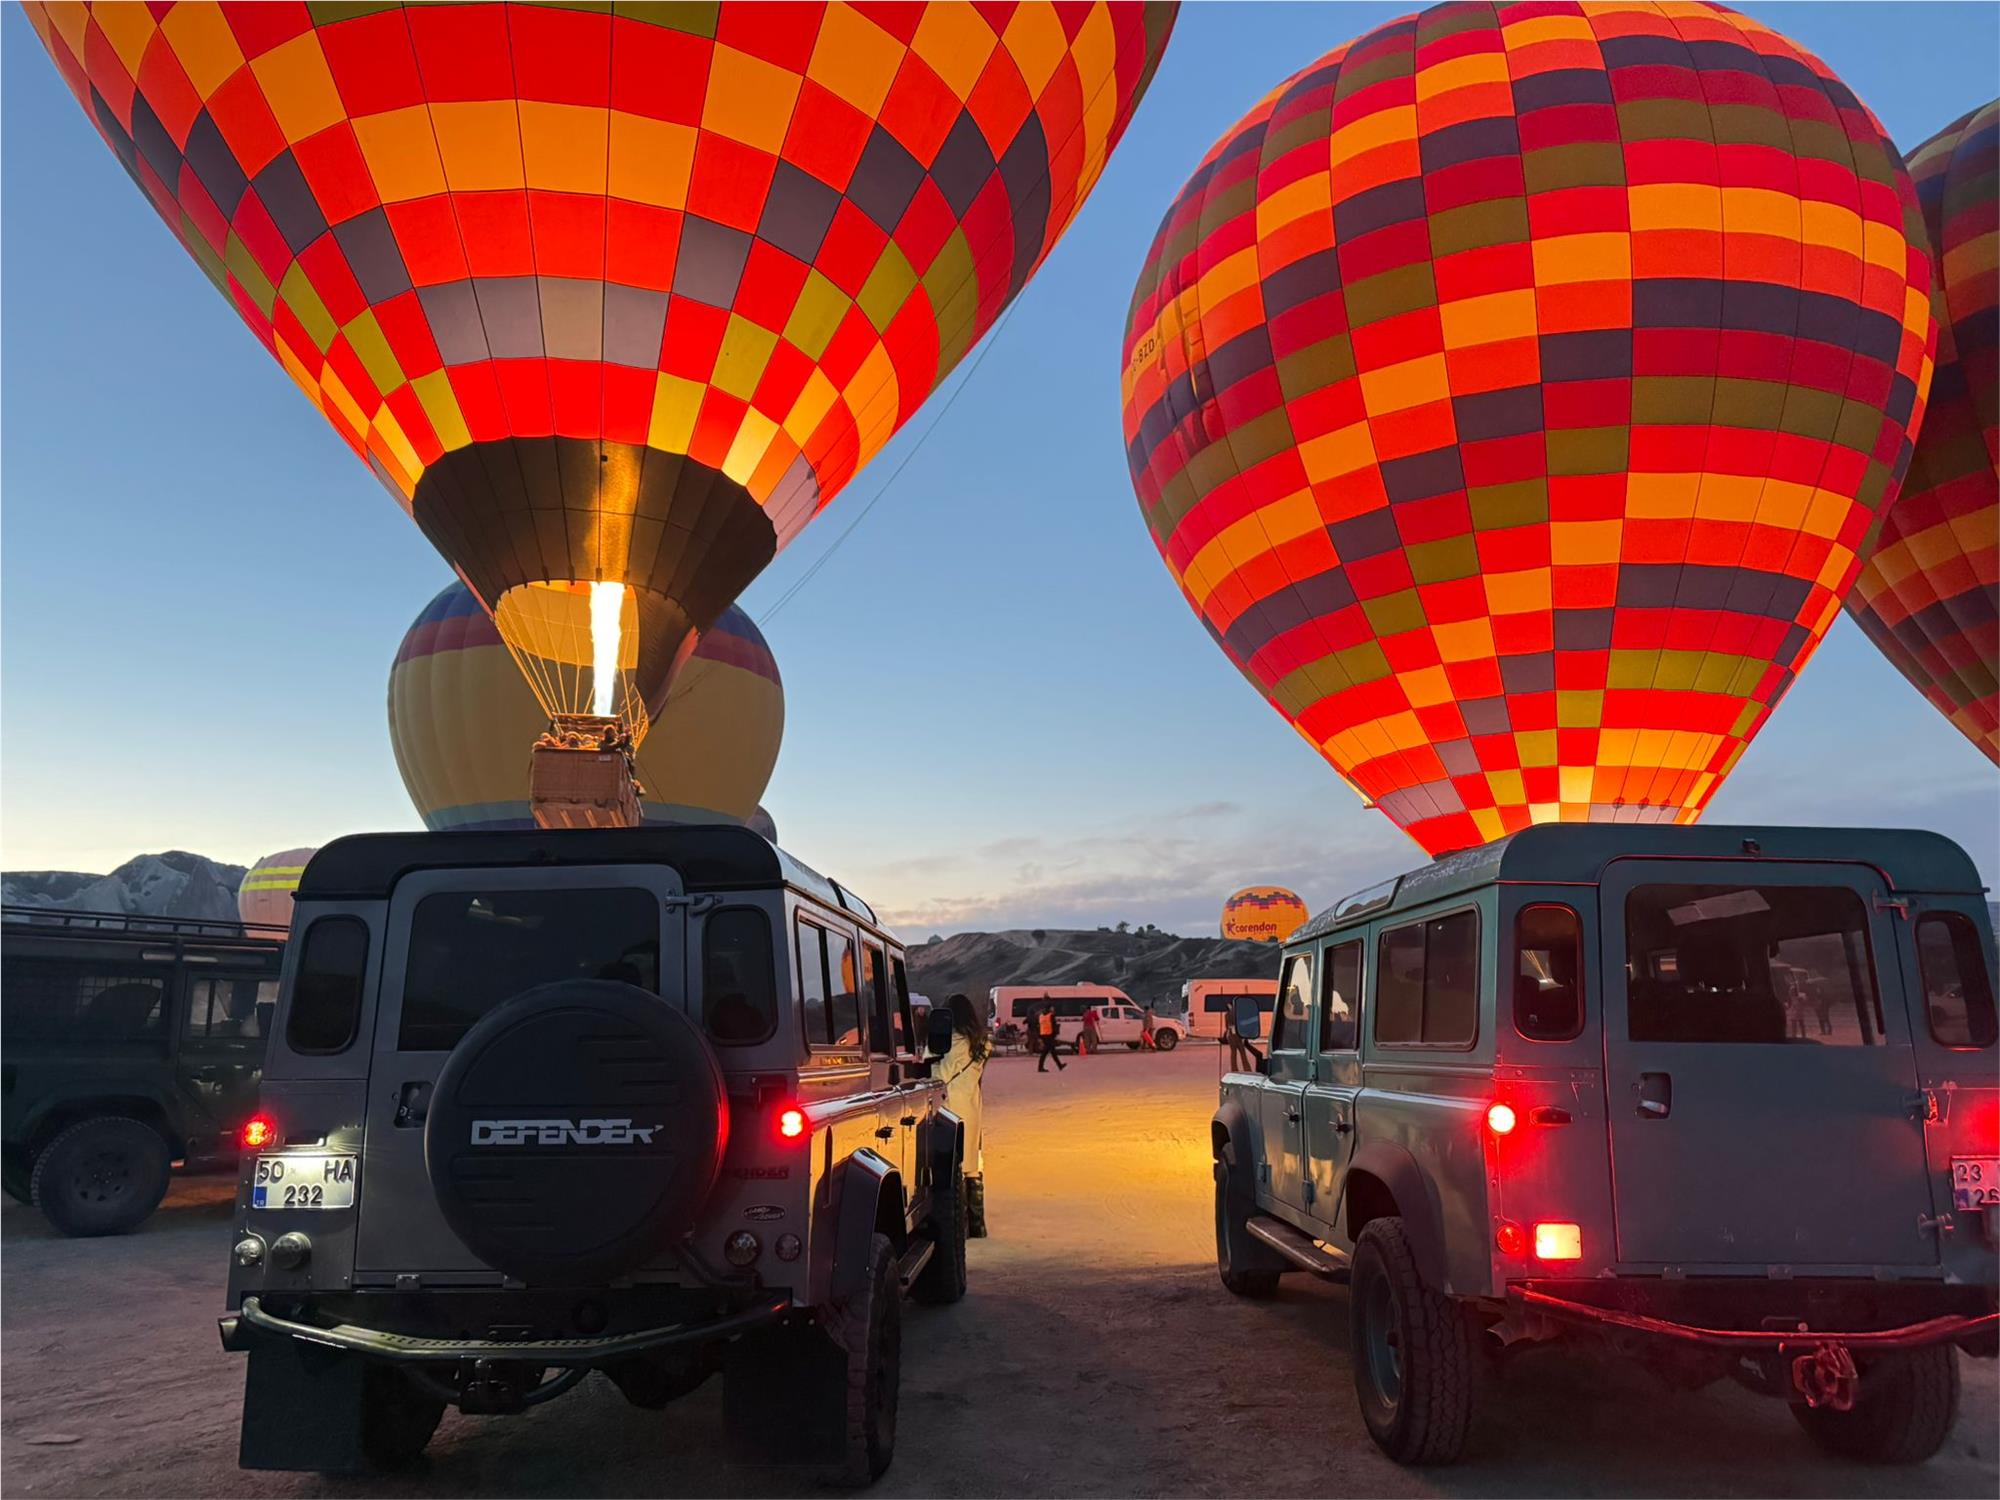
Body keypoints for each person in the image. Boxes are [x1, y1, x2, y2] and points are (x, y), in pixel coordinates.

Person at [1035, 1007, 1066, 1073]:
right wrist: (1055, 1034)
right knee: (1046, 1052)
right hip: (1049, 1035)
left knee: (1051, 1051)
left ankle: (1059, 1065)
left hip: (1043, 1035)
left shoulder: (1041, 1016)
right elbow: (1054, 1025)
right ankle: (1040, 1068)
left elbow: (1039, 1025)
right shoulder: (1051, 1016)